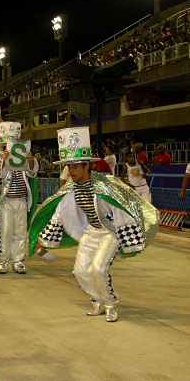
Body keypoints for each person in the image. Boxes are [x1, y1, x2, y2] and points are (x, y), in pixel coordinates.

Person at [30, 127, 159, 322]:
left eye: (75, 167)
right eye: (69, 167)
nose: (71, 171)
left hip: (109, 232)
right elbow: (59, 214)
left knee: (98, 268)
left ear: (86, 167)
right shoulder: (71, 189)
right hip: (91, 232)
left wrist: (127, 236)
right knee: (80, 271)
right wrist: (45, 239)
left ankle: (110, 303)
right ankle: (97, 300)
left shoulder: (104, 185)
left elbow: (121, 207)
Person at [0, 131, 37, 274]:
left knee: (20, 232)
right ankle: (3, 260)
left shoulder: (23, 156)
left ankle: (18, 260)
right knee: (5, 231)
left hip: (21, 200)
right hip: (6, 201)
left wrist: (30, 160)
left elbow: (32, 173)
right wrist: (4, 161)